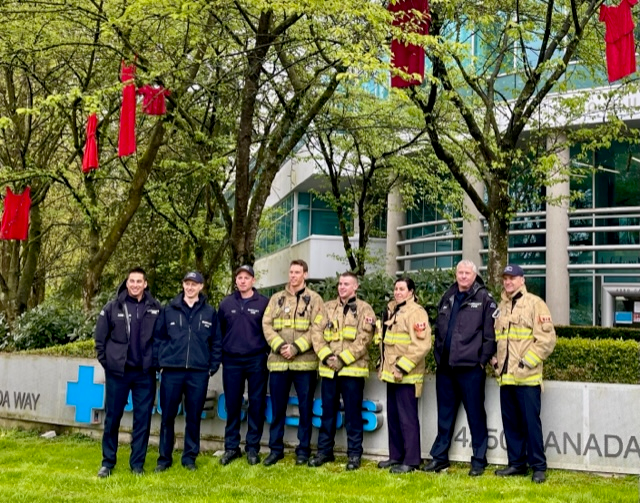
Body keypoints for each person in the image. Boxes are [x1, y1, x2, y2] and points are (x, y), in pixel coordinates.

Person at [423, 260, 497, 476]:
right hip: (446, 368)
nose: (463, 276)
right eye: (460, 272)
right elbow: (439, 327)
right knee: (444, 415)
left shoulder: (484, 298)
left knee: (475, 415)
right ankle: (439, 458)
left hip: (471, 369)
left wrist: (481, 361)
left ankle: (479, 460)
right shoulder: (448, 295)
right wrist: (438, 356)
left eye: (467, 273)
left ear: (474, 275)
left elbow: (490, 335)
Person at [492, 264, 556, 484]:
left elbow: (547, 341)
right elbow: (499, 338)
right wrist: (494, 360)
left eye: (512, 278)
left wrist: (525, 363)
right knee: (511, 424)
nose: (508, 282)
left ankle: (538, 466)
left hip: (527, 379)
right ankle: (516, 464)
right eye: (505, 279)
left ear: (522, 280)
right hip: (505, 379)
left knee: (531, 424)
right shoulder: (502, 306)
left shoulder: (535, 304)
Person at [94, 267, 162, 477]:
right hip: (118, 374)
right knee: (113, 418)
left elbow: (161, 339)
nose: (134, 285)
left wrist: (155, 362)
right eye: (131, 281)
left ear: (145, 283)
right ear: (127, 282)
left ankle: (137, 465)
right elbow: (100, 340)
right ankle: (107, 462)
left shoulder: (155, 308)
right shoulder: (112, 307)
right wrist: (111, 364)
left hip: (144, 374)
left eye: (138, 281)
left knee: (142, 419)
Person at [153, 271, 220, 472]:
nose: (190, 288)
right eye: (187, 284)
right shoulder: (169, 310)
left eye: (194, 284)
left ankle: (189, 457)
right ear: (183, 285)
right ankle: (164, 459)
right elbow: (158, 339)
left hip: (198, 372)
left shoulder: (209, 312)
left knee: (194, 416)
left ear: (201, 287)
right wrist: (160, 363)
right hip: (172, 371)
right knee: (167, 416)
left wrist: (212, 367)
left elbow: (216, 342)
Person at [308, 272, 376, 471]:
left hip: (352, 371)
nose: (342, 287)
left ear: (355, 287)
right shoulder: (327, 307)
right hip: (329, 370)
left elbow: (364, 339)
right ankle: (324, 452)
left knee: (353, 415)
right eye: (340, 284)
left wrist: (342, 360)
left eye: (346, 284)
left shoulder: (365, 309)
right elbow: (316, 334)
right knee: (327, 412)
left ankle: (354, 455)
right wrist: (328, 357)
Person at [261, 259, 325, 466]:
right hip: (279, 363)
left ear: (305, 275)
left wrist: (296, 347)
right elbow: (266, 324)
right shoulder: (276, 299)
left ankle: (303, 451)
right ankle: (275, 449)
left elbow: (318, 328)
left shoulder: (315, 300)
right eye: (291, 272)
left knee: (305, 410)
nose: (293, 276)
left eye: (297, 272)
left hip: (304, 363)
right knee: (277, 409)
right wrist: (280, 346)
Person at [376, 277, 431, 474]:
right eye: (396, 288)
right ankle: (396, 456)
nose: (398, 292)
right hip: (391, 374)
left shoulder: (416, 312)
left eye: (402, 289)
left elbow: (422, 345)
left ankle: (411, 460)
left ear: (411, 292)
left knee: (407, 419)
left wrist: (402, 368)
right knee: (393, 417)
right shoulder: (393, 310)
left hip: (406, 376)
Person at [216, 265, 269, 466]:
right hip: (231, 360)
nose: (243, 281)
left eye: (246, 277)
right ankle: (231, 447)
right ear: (236, 280)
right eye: (239, 277)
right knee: (232, 404)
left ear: (253, 280)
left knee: (256, 403)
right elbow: (219, 332)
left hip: (256, 359)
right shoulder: (226, 303)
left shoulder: (264, 303)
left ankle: (253, 448)